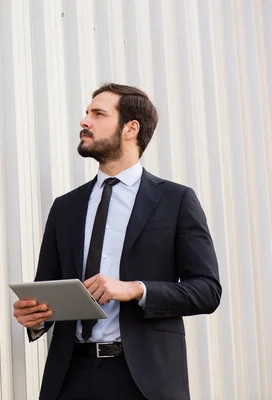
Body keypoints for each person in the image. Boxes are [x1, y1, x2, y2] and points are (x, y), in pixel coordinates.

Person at [13, 83, 222, 400]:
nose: (85, 122)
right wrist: (35, 318)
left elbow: (207, 290)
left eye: (98, 114)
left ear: (131, 128)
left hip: (143, 381)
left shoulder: (175, 200)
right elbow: (49, 288)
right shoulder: (65, 207)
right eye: (86, 113)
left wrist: (135, 288)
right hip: (70, 379)